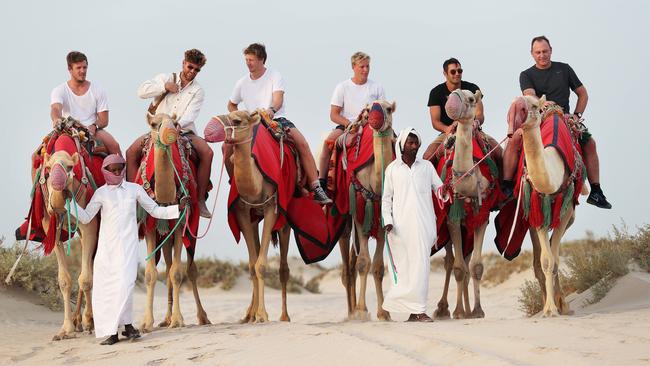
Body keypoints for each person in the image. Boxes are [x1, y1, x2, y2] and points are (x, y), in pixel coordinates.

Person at [68, 154, 181, 345]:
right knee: (109, 290)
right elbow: (86, 217)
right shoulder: (101, 193)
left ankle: (123, 328)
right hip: (107, 250)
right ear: (105, 171)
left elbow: (154, 210)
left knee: (126, 286)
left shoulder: (134, 189)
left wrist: (177, 209)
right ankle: (117, 330)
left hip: (128, 248)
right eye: (112, 170)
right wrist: (68, 203)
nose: (117, 172)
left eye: (120, 169)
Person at [502, 36, 611, 209]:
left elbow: (583, 94)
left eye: (545, 51)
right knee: (514, 140)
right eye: (538, 52)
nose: (542, 55)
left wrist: (576, 115)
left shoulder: (564, 69)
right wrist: (544, 103)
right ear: (532, 54)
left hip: (565, 118)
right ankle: (506, 187)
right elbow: (530, 95)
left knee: (590, 143)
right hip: (539, 118)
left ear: (551, 50)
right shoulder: (526, 75)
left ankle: (596, 192)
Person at [225, 43, 331, 204]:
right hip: (252, 123)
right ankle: (235, 181)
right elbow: (231, 104)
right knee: (225, 147)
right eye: (246, 59)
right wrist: (240, 115)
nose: (248, 63)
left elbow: (278, 99)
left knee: (302, 143)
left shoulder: (274, 76)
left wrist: (271, 110)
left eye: (251, 60)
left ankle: (316, 187)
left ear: (261, 60)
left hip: (275, 119)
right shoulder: (242, 82)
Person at [127, 49, 214, 218]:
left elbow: (191, 113)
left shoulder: (198, 90)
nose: (192, 72)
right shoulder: (165, 78)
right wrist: (164, 86)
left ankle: (201, 199)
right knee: (131, 152)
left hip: (183, 131)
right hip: (157, 130)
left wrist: (177, 126)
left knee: (207, 152)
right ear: (183, 63)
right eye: (190, 67)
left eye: (196, 70)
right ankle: (131, 198)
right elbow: (141, 91)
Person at [381, 127, 445, 322]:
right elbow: (386, 199)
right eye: (410, 143)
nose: (414, 146)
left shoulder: (426, 167)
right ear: (402, 145)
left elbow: (440, 189)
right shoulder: (392, 169)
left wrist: (447, 188)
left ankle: (420, 310)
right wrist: (388, 221)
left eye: (416, 142)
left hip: (423, 225)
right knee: (406, 269)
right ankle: (411, 310)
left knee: (421, 266)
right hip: (399, 228)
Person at [317, 51, 385, 187]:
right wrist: (350, 124)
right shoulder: (342, 87)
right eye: (362, 67)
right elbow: (334, 114)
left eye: (367, 66)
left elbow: (382, 111)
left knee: (395, 141)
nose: (365, 70)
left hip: (371, 125)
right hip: (347, 126)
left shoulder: (377, 87)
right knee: (328, 143)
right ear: (353, 67)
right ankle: (322, 182)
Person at [422, 58, 501, 166]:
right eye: (453, 71)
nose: (457, 74)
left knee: (500, 153)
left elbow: (480, 114)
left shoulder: (472, 88)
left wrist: (476, 122)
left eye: (460, 71)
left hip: (473, 129)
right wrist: (447, 129)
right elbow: (435, 122)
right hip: (449, 132)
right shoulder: (436, 92)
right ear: (445, 73)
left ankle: (505, 182)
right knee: (427, 157)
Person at [50, 51, 121, 155]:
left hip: (92, 131)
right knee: (37, 155)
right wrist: (57, 119)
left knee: (115, 146)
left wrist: (94, 126)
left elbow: (104, 120)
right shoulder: (59, 90)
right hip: (69, 130)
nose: (82, 71)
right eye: (78, 68)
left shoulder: (98, 90)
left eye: (84, 67)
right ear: (70, 69)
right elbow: (56, 108)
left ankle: (120, 170)